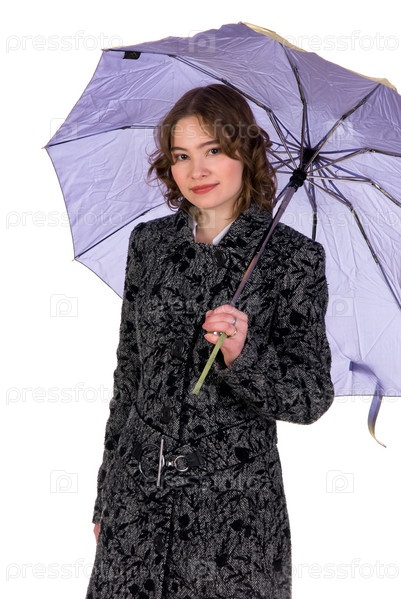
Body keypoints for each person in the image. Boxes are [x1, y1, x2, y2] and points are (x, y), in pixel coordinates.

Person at [86, 84, 334, 599]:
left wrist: (243, 355)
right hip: (137, 503)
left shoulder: (294, 259)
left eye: (213, 150)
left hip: (233, 519)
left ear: (245, 152)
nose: (196, 170)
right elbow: (129, 374)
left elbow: (311, 397)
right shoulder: (150, 244)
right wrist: (105, 495)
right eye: (181, 155)